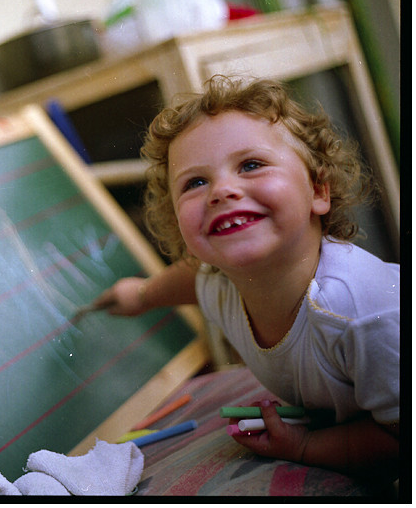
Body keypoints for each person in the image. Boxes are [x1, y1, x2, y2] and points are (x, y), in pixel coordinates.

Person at [93, 75, 399, 483]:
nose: (221, 190)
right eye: (195, 182)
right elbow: (195, 278)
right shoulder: (224, 284)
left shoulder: (361, 312)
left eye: (251, 165)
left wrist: (304, 448)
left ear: (318, 191)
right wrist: (143, 294)